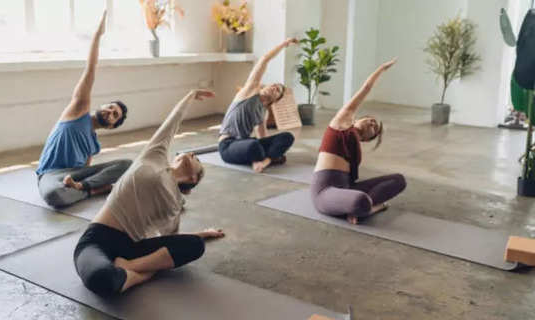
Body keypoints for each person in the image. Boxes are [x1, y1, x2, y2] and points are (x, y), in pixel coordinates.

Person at [74, 89, 225, 297]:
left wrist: (203, 235)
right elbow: (172, 123)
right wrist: (190, 95)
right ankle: (139, 275)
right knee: (101, 278)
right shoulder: (156, 156)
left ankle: (132, 266)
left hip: (133, 248)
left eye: (196, 160)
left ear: (193, 179)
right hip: (97, 238)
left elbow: (171, 240)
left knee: (195, 245)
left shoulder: (175, 204)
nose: (191, 153)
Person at [35, 11, 131, 208]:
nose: (109, 112)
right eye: (110, 107)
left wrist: (83, 181)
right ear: (103, 106)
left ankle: (84, 188)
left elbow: (87, 168)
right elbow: (91, 69)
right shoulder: (78, 111)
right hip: (52, 175)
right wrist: (97, 35)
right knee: (55, 196)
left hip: (76, 177)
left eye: (114, 115)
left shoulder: (93, 146)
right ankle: (92, 191)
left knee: (128, 165)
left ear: (112, 127)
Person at [311, 59, 406, 225]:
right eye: (370, 120)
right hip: (325, 192)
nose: (372, 124)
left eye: (374, 129)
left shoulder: (355, 147)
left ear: (367, 139)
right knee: (360, 200)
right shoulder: (341, 124)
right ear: (356, 120)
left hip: (346, 189)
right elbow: (366, 89)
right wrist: (381, 69)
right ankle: (371, 207)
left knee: (399, 180)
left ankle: (364, 207)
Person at [218, 38, 298, 173]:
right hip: (228, 145)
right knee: (254, 146)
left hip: (244, 143)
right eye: (274, 85)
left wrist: (270, 146)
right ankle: (269, 158)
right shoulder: (249, 91)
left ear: (275, 100)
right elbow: (265, 59)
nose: (274, 87)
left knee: (287, 137)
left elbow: (263, 138)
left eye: (277, 90)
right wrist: (284, 44)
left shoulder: (264, 113)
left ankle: (265, 161)